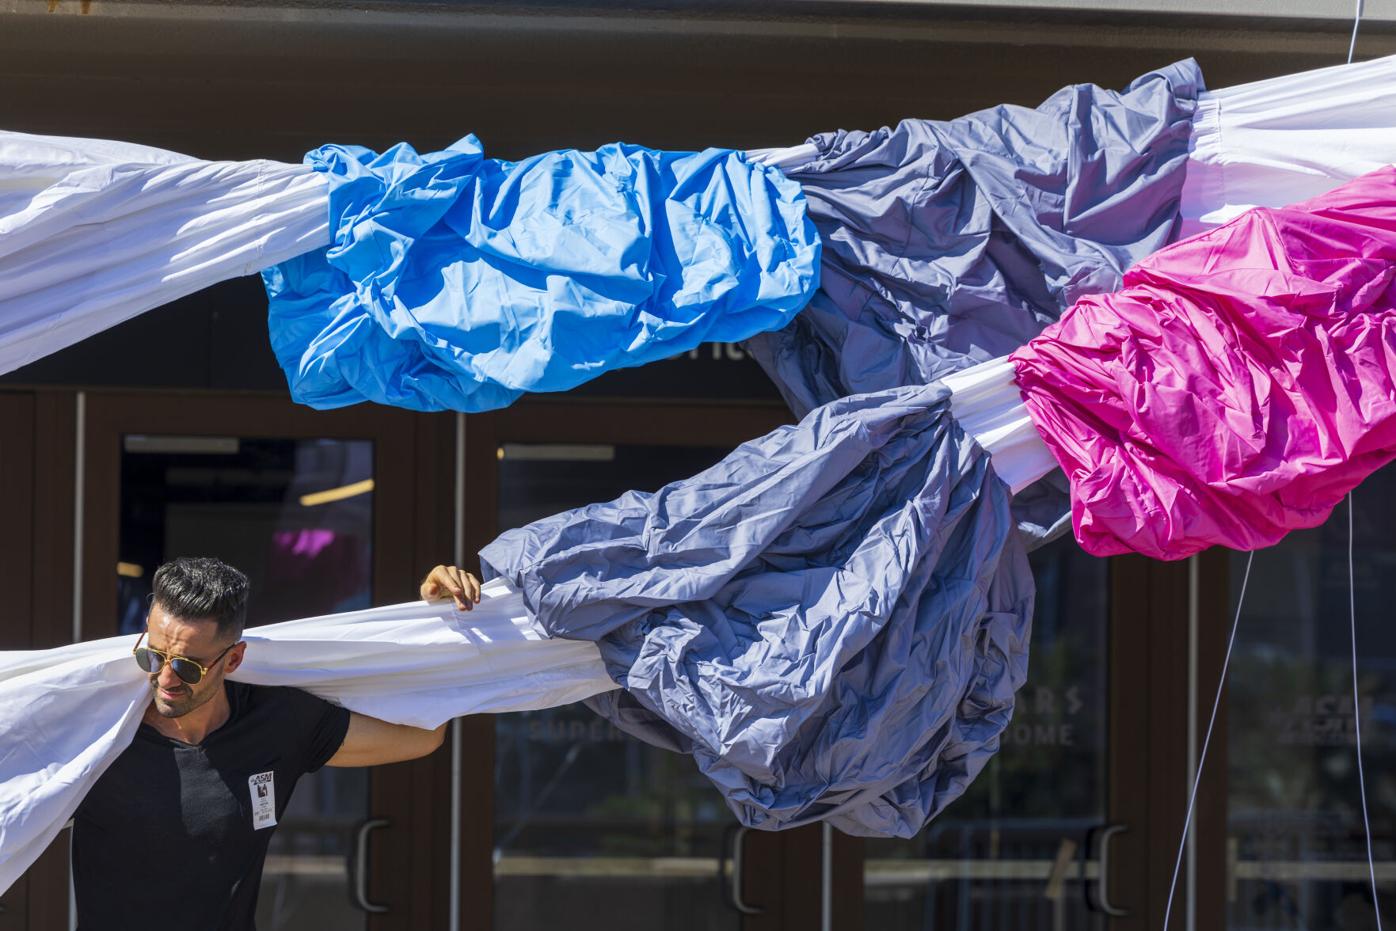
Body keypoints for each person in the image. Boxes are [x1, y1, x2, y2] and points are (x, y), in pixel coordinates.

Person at [73, 556, 483, 931]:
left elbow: (424, 735)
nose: (165, 678)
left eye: (187, 667)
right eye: (153, 656)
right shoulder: (97, 731)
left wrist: (438, 621)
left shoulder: (278, 722)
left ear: (233, 660)